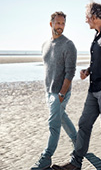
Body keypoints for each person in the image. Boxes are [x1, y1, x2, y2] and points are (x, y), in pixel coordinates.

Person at [52, 2, 101, 170]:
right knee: (84, 123)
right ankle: (76, 162)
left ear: (94, 17)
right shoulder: (98, 35)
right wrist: (88, 71)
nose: (85, 20)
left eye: (87, 17)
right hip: (94, 88)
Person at [31, 11, 77, 170]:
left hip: (60, 92)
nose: (61, 26)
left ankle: (46, 158)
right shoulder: (44, 45)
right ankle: (79, 143)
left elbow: (70, 72)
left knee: (53, 124)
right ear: (51, 24)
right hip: (48, 91)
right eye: (58, 23)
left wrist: (62, 94)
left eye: (63, 23)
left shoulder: (68, 45)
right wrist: (49, 92)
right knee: (61, 118)